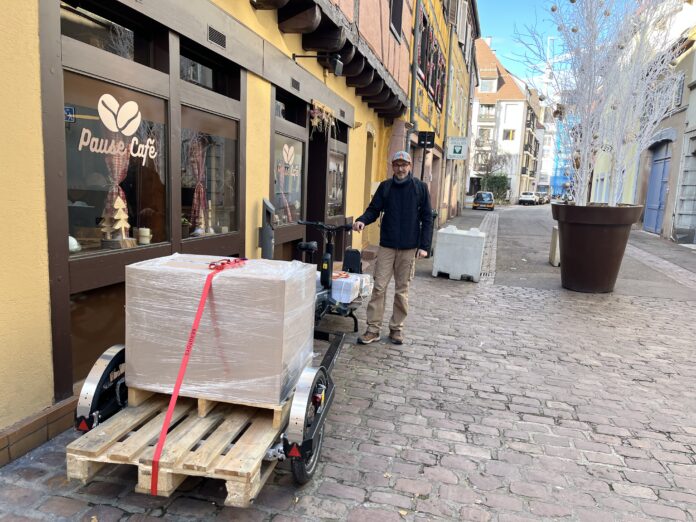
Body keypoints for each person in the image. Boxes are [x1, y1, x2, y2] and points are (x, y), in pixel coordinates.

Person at [352, 150, 433, 345]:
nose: (400, 168)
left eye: (403, 164)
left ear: (410, 166)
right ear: (392, 167)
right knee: (379, 287)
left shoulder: (420, 188)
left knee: (402, 290)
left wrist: (424, 247)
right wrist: (363, 220)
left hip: (408, 248)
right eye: (396, 165)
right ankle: (373, 329)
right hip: (387, 246)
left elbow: (427, 218)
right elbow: (374, 209)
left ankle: (397, 329)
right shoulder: (385, 187)